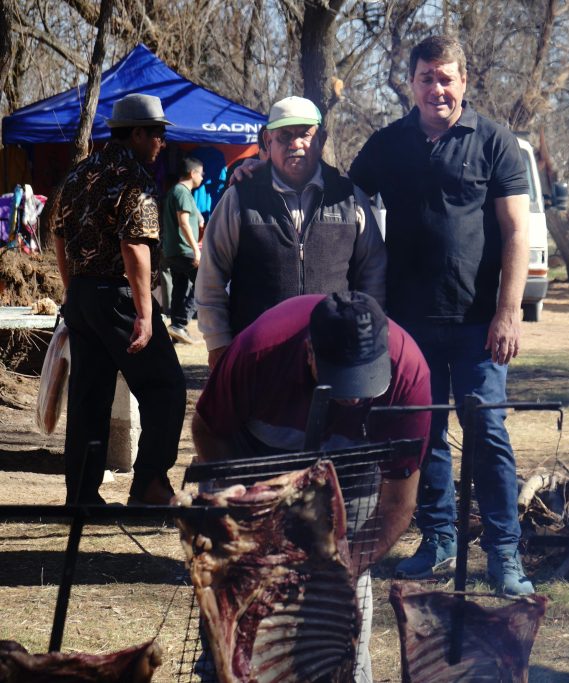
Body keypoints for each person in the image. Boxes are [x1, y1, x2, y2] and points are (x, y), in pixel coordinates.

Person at [348, 35, 533, 595]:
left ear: (464, 81)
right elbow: (340, 194)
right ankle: (438, 538)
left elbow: (516, 232)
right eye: (426, 78)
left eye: (446, 77)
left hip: (478, 323)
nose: (437, 89)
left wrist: (508, 313)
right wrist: (259, 170)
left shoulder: (495, 141)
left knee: (487, 431)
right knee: (423, 433)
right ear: (412, 83)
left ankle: (503, 551)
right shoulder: (388, 144)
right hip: (408, 324)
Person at [192, 291, 431, 683]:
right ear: (309, 353)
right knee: (242, 597)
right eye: (342, 382)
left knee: (339, 618)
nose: (353, 397)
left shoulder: (407, 371)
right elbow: (207, 427)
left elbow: (397, 505)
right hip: (258, 454)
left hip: (352, 466)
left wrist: (339, 574)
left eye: (364, 382)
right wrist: (251, 513)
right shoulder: (258, 350)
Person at [48, 93, 185, 505]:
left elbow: (58, 235)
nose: (162, 142)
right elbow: (134, 246)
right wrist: (144, 312)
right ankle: (149, 484)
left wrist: (73, 291)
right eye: (157, 133)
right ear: (137, 133)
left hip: (83, 296)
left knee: (89, 398)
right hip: (120, 297)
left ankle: (82, 496)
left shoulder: (79, 174)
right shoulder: (135, 178)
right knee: (165, 386)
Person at [196, 96, 386, 369]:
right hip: (258, 356)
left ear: (321, 139)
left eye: (305, 134)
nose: (295, 144)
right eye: (284, 136)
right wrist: (217, 342)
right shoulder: (240, 198)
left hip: (334, 355)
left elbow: (373, 272)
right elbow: (211, 277)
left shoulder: (350, 198)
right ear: (268, 141)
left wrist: (367, 332)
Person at [161, 156, 204, 344]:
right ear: (192, 173)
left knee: (180, 287)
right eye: (201, 174)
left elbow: (192, 220)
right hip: (184, 250)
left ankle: (177, 329)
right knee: (204, 284)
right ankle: (180, 323)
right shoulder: (182, 192)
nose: (202, 178)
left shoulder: (176, 191)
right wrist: (196, 249)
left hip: (174, 250)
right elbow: (184, 223)